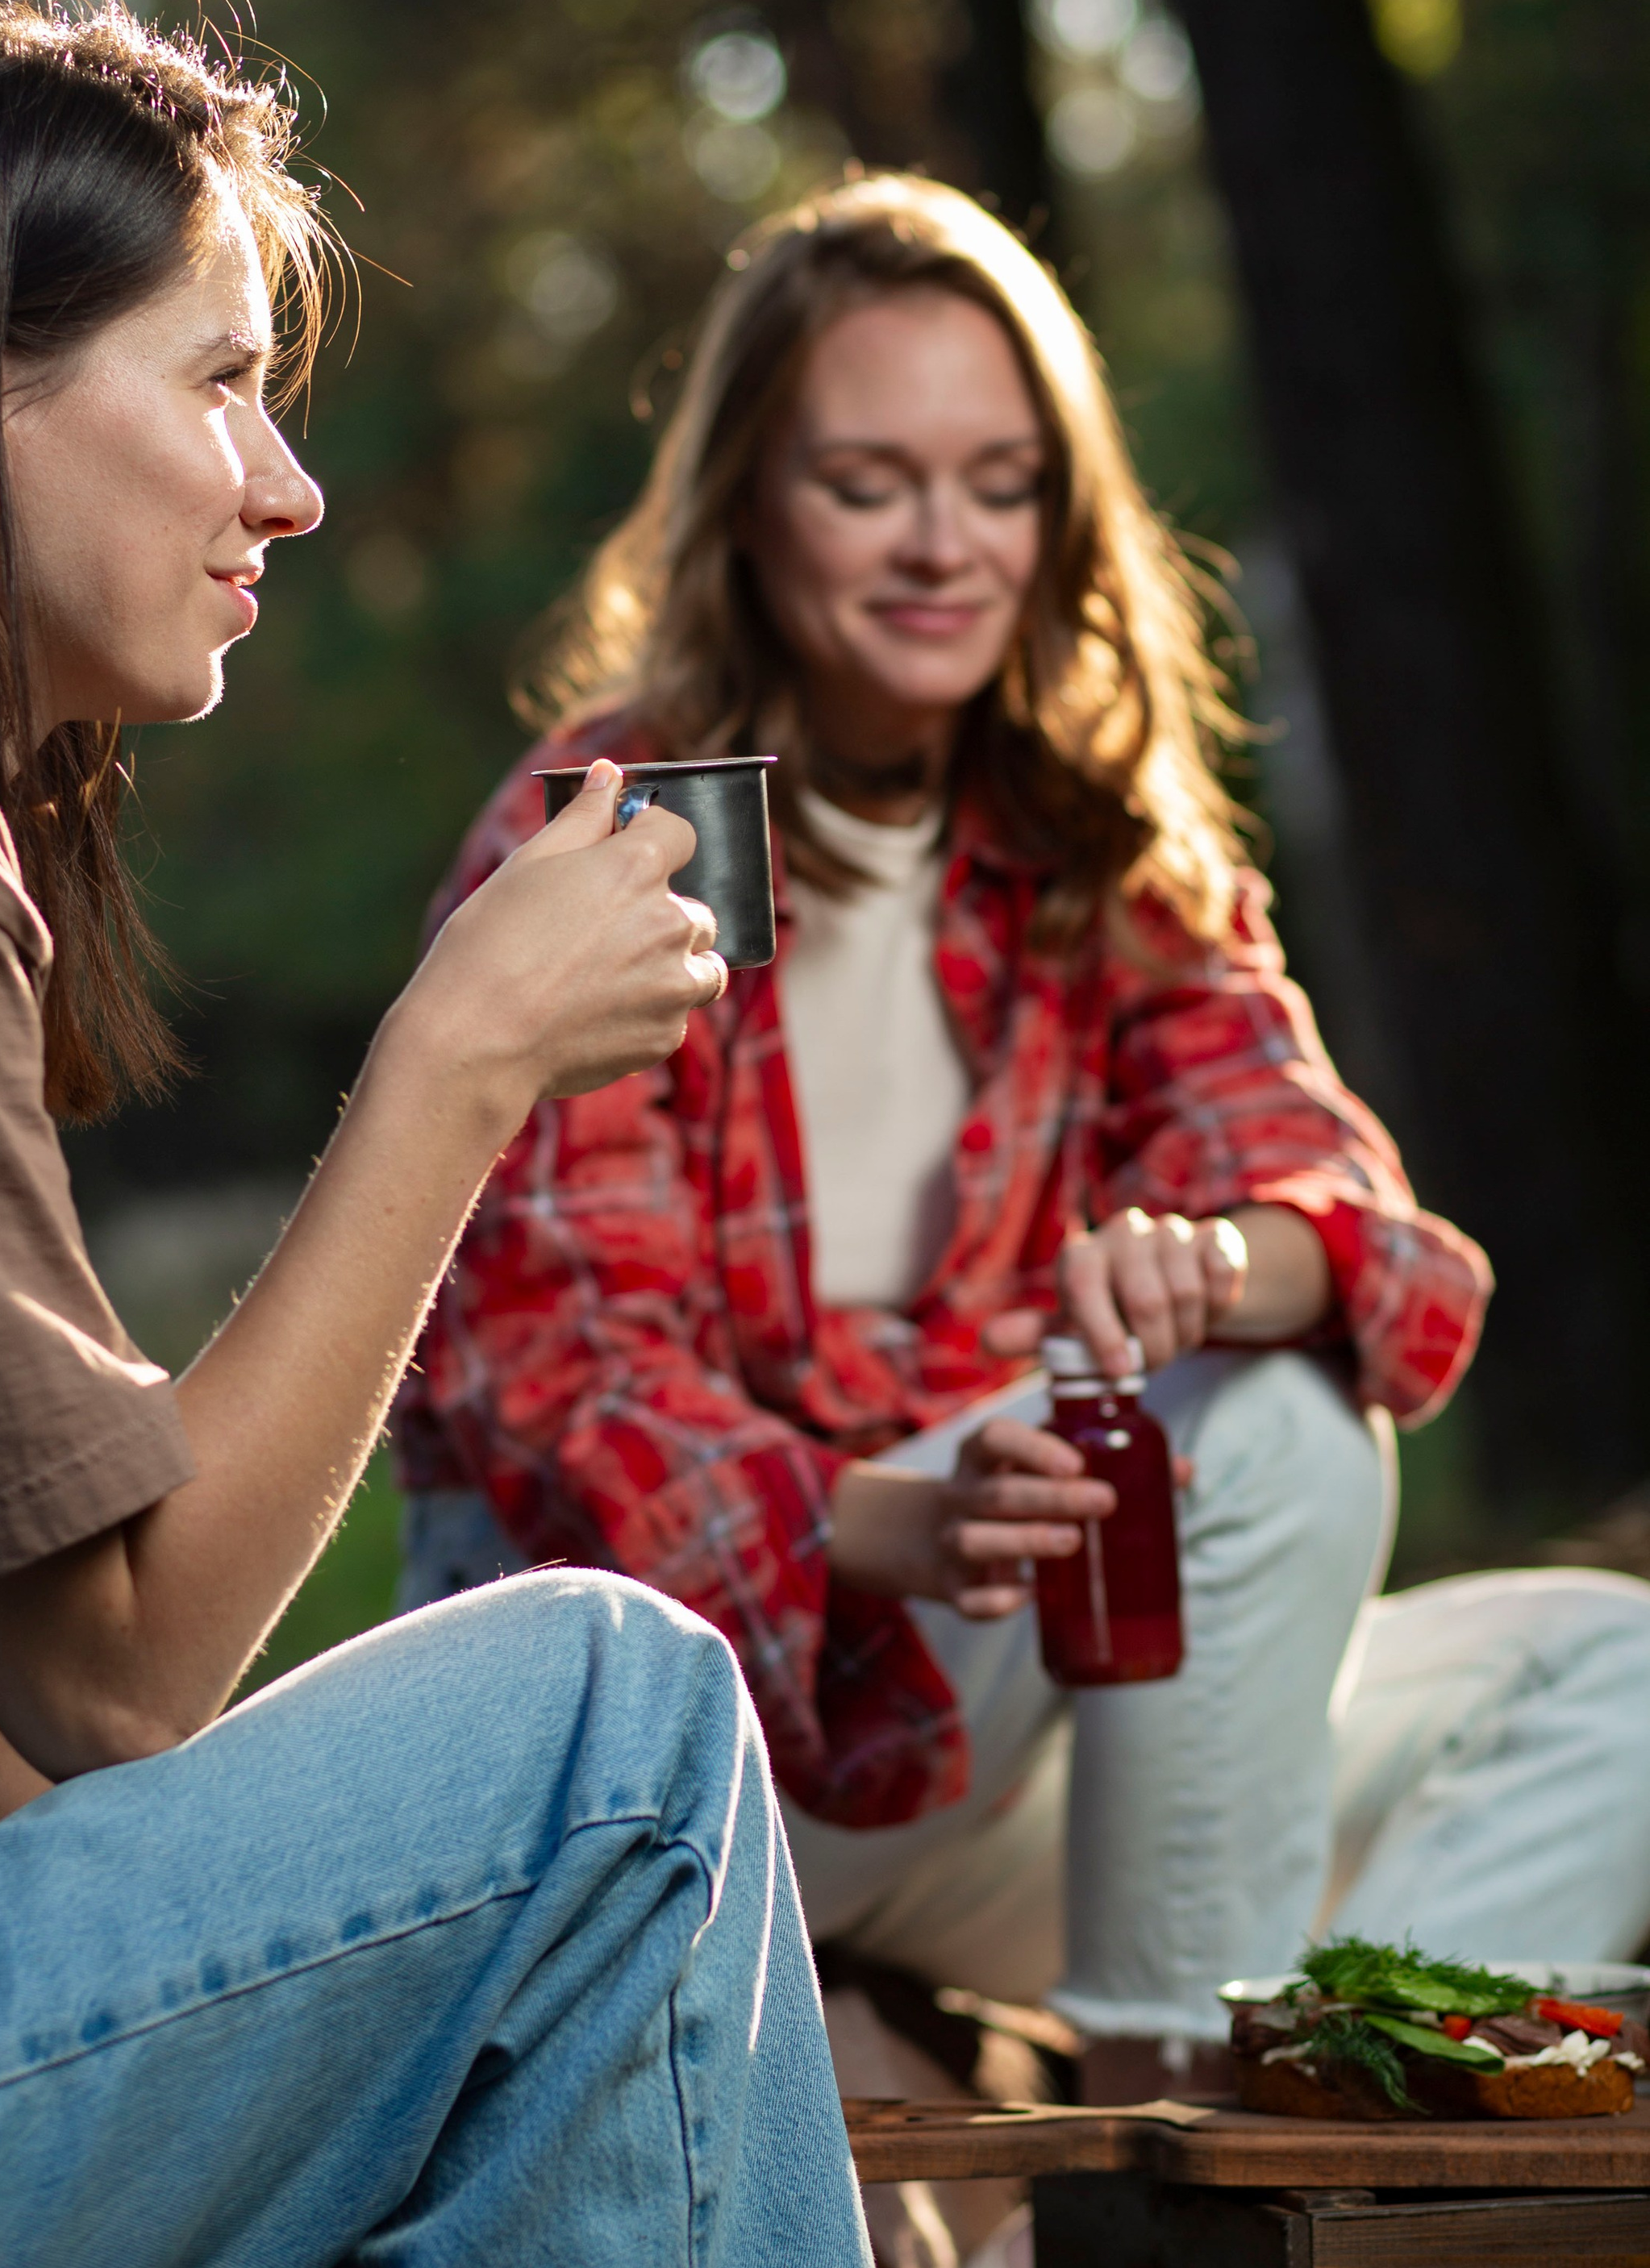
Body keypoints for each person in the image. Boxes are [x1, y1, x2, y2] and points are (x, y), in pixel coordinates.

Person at [0, 0, 874, 2268]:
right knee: (622, 1731)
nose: (286, 487)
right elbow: (118, 1672)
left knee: (535, 1873)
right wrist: (453, 1070)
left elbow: (7, 1714)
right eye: (219, 380)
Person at [400, 174, 1650, 2103]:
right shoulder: (617, 832)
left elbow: (1390, 1261)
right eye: (866, 481)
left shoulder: (1093, 846)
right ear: (746, 497)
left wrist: (1231, 1260)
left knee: (1610, 1671)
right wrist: (888, 1521)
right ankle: (1165, 2129)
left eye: (998, 483)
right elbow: (558, 1388)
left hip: (993, 1729)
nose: (941, 546)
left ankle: (1250, 2099)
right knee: (1246, 1437)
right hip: (679, 1736)